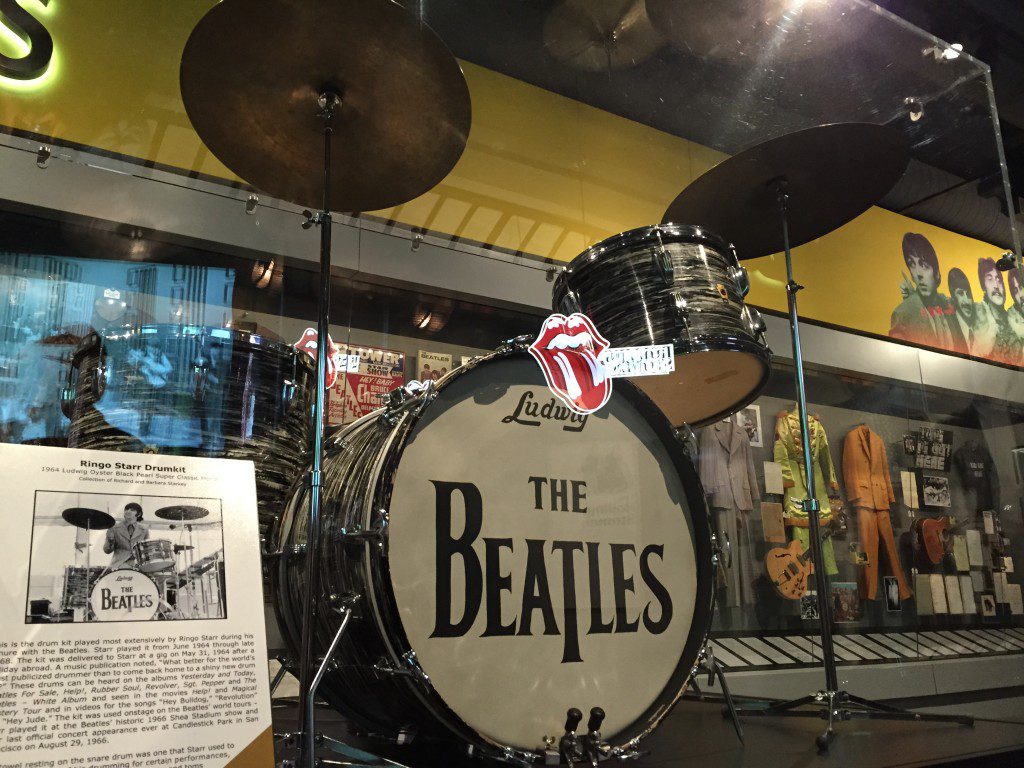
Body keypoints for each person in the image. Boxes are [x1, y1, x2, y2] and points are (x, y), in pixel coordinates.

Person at [889, 233, 953, 350]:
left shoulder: (949, 306)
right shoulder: (902, 315)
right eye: (912, 264)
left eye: (923, 265)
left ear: (937, 273)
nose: (918, 273)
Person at [973, 258, 1022, 365]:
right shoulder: (978, 321)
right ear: (983, 286)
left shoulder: (1014, 318)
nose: (996, 285)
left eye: (999, 279)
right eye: (989, 279)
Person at [103, 502, 150, 570]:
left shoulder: (144, 530)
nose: (128, 511)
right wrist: (110, 540)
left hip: (138, 565)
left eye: (132, 510)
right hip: (118, 564)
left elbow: (147, 550)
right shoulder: (114, 528)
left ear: (139, 514)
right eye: (126, 509)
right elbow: (107, 551)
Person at [946, 267, 975, 355]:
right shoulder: (950, 329)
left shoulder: (981, 328)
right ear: (953, 297)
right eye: (960, 293)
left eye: (968, 294)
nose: (966, 301)